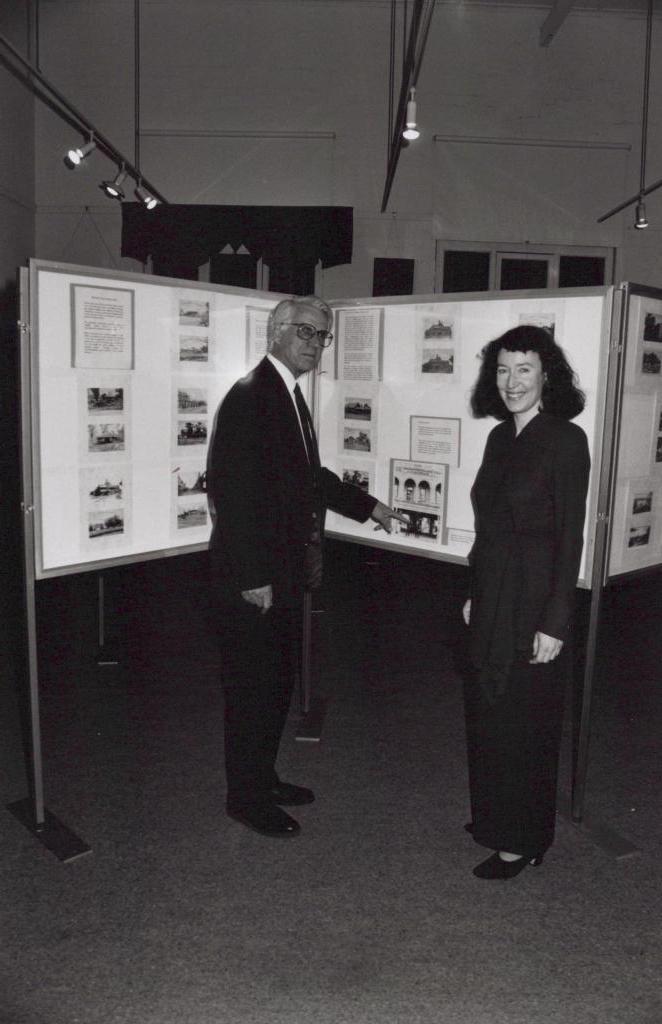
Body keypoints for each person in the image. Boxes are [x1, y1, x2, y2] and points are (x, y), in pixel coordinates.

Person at [207, 295, 405, 837]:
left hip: (283, 570)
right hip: (257, 578)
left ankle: (262, 778)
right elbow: (232, 490)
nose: (315, 344)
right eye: (306, 332)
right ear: (275, 331)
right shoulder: (252, 396)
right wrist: (253, 579)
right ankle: (245, 799)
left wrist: (371, 508)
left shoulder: (286, 394)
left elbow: (308, 476)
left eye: (322, 336)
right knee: (252, 689)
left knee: (273, 684)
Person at [462, 325, 590, 879]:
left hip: (537, 600)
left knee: (527, 724)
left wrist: (556, 622)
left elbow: (571, 537)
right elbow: (488, 525)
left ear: (547, 376)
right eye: (503, 369)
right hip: (493, 594)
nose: (511, 382)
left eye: (524, 370)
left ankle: (525, 839)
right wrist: (474, 589)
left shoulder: (564, 439)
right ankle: (495, 820)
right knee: (491, 714)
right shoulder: (498, 437)